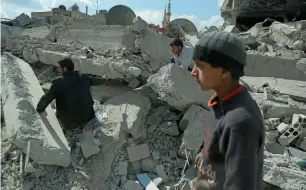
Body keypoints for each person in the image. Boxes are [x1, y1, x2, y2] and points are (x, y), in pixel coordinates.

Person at [191, 31, 264, 190]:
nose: (193, 72)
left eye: (200, 66)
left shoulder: (240, 124)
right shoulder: (220, 102)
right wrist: (203, 153)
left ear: (224, 72)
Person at [36, 57, 124, 130]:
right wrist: (116, 81)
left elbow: (46, 99)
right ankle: (91, 123)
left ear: (65, 69)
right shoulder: (84, 77)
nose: (58, 70)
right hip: (88, 118)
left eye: (59, 68)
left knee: (58, 103)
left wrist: (39, 109)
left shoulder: (57, 83)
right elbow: (100, 81)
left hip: (70, 125)